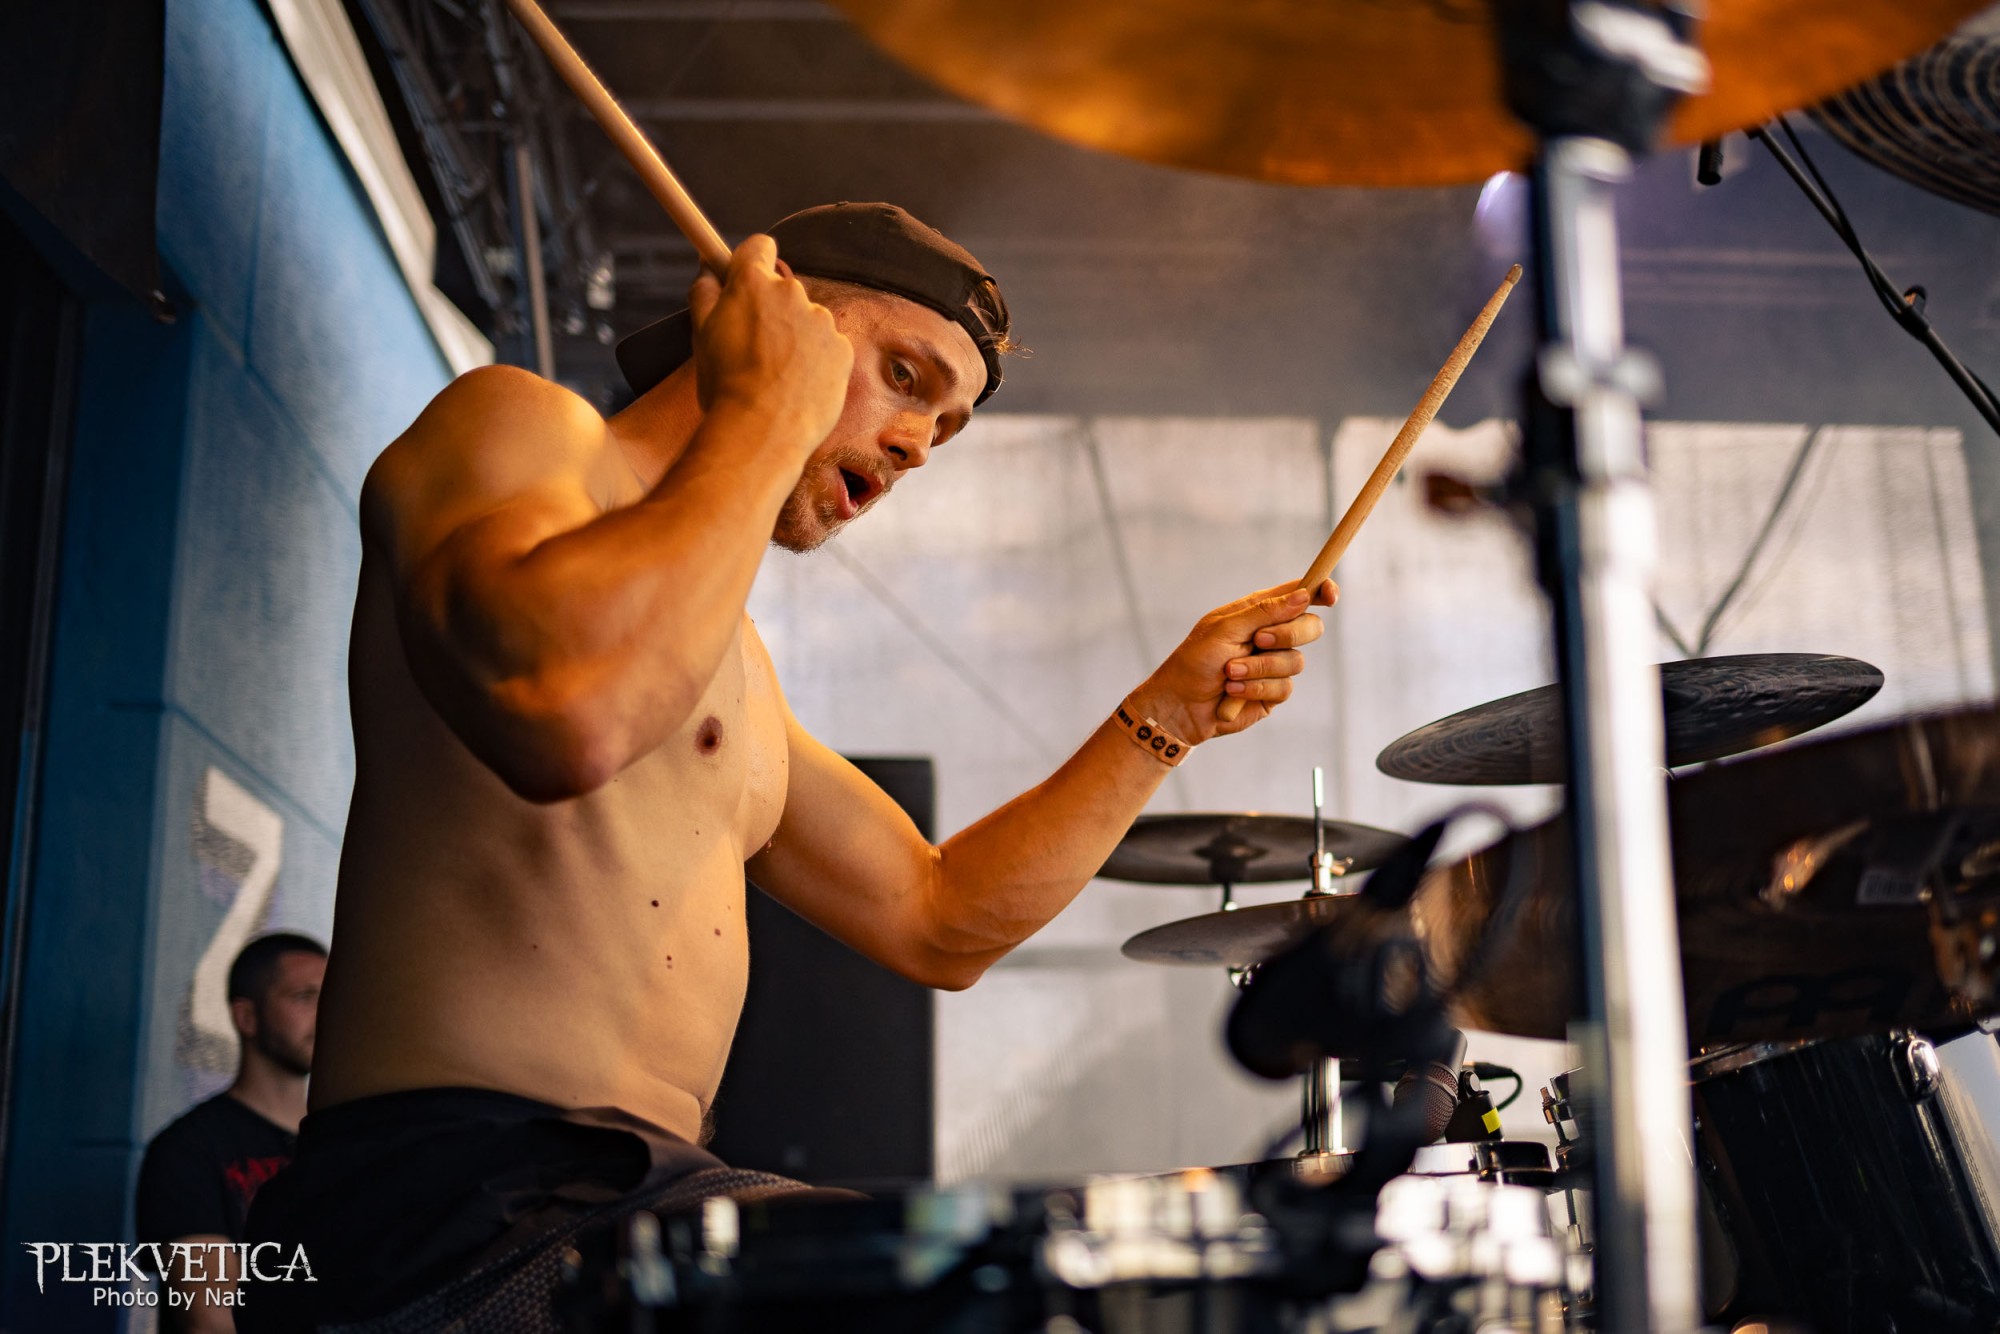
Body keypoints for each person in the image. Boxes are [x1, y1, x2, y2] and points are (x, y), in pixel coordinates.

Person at [242, 203, 1335, 1328]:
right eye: (904, 377)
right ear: (769, 317)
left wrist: (1164, 717)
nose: (919, 444)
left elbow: (939, 918)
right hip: (451, 1205)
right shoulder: (519, 424)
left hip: (643, 1204)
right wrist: (764, 410)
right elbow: (564, 711)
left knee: (1078, 1278)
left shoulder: (735, 663)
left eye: (946, 426)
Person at [136, 932, 326, 1332]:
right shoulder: (187, 1150)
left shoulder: (342, 1142)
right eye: (304, 997)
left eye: (331, 997)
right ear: (247, 1018)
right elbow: (210, 1322)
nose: (325, 1013)